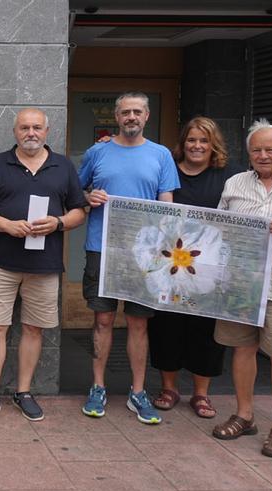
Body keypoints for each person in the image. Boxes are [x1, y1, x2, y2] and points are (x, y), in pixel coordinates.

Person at [0, 108, 87, 426]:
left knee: (34, 329)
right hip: (1, 262)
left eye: (37, 127)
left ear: (47, 132)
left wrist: (59, 222)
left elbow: (79, 210)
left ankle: (23, 392)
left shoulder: (62, 166)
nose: (31, 133)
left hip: (44, 264)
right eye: (25, 127)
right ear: (15, 131)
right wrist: (7, 225)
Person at [78, 91, 180, 425]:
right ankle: (98, 386)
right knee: (103, 320)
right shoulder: (98, 152)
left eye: (137, 111)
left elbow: (167, 205)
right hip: (102, 248)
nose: (131, 117)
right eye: (125, 112)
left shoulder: (161, 155)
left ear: (147, 116)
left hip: (146, 254)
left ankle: (138, 392)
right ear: (116, 117)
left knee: (138, 322)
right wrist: (88, 196)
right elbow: (76, 192)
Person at [147, 117, 238, 418]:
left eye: (204, 141)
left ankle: (201, 394)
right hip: (169, 264)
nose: (197, 146)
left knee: (206, 330)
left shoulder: (227, 178)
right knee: (166, 327)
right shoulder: (167, 171)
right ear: (183, 143)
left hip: (209, 269)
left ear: (214, 146)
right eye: (191, 140)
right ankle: (169, 388)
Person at [213, 119, 272, 458]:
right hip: (240, 284)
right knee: (242, 349)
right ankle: (244, 415)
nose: (263, 155)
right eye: (256, 149)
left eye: (271, 149)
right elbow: (216, 228)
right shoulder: (234, 184)